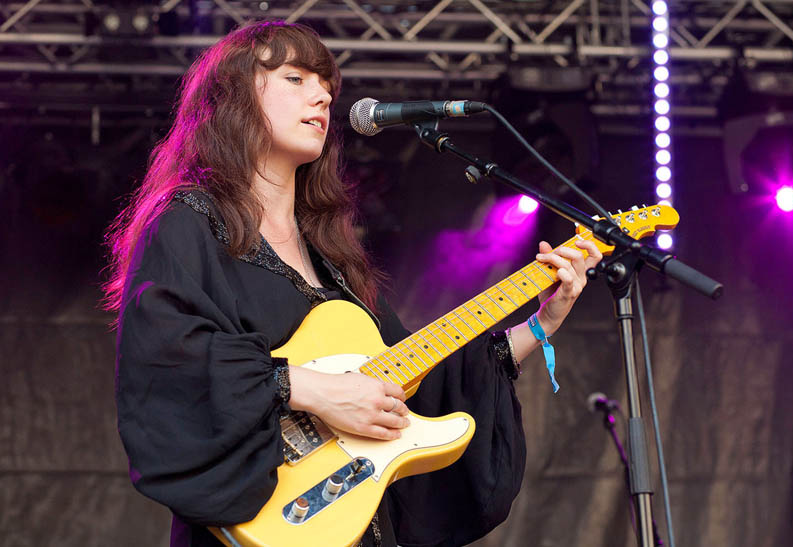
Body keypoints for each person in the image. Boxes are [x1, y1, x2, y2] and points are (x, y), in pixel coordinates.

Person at [103, 20, 603, 547]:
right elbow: (168, 355)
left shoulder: (328, 253)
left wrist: (541, 322)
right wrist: (315, 390)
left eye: (326, 86)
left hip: (350, 526)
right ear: (230, 97)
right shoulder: (188, 219)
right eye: (295, 78)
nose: (321, 95)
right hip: (252, 519)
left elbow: (413, 383)